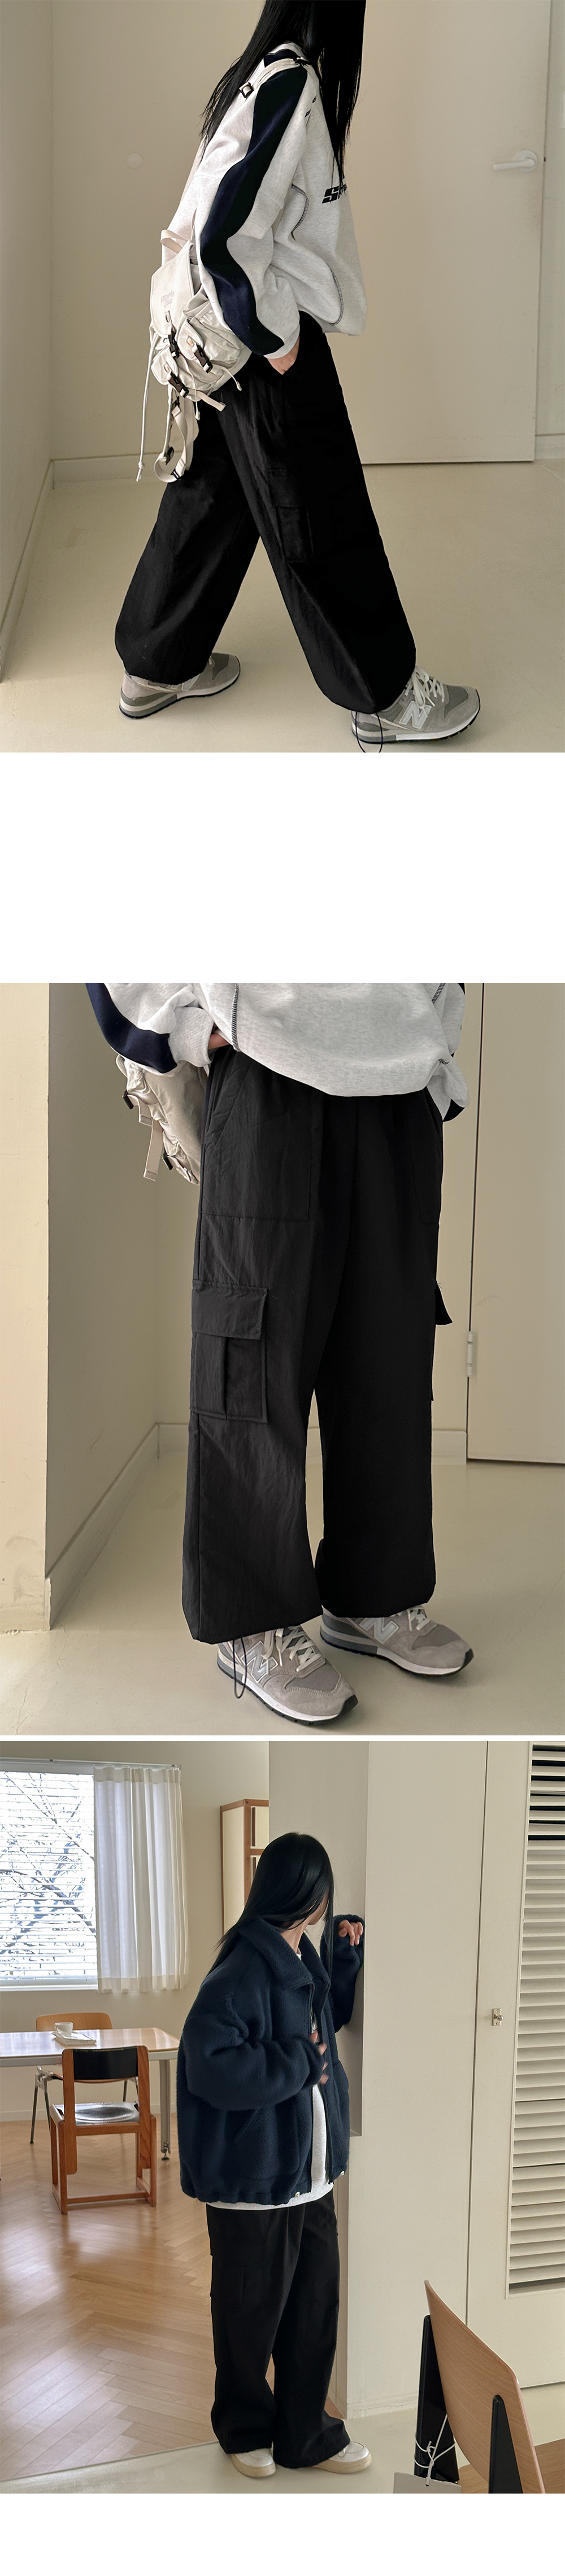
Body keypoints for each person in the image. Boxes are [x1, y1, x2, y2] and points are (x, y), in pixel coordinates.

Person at [88, 981, 474, 1723]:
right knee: (250, 1364)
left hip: (400, 1089)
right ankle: (251, 1622)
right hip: (270, 1079)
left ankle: (374, 1596)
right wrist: (187, 1027)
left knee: (389, 1358)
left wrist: (434, 1049)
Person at [116, 2, 480, 747]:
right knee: (321, 511)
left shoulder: (254, 76)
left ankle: (157, 664)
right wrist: (277, 339)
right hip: (261, 343)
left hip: (218, 347)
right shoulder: (292, 82)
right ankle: (385, 698)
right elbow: (224, 238)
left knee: (212, 499)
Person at [177, 1831, 368, 2476]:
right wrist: (296, 2061)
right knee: (248, 2316)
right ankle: (243, 2430)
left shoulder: (300, 1954)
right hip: (255, 2183)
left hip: (310, 2176)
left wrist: (344, 1961)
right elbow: (208, 2067)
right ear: (306, 1895)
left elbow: (324, 2022)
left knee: (313, 2310)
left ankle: (305, 2434)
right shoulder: (238, 1972)